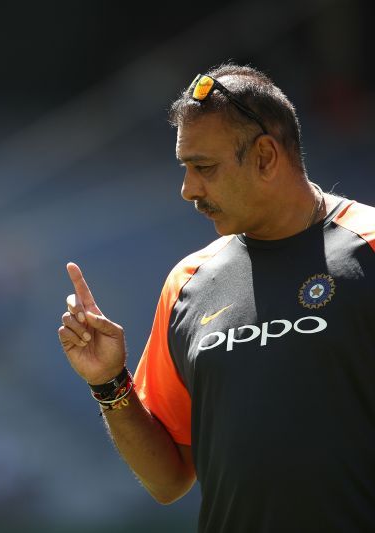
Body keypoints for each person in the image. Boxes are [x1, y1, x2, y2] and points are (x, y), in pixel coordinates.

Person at [58, 62, 375, 532]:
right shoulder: (189, 282)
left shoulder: (368, 245)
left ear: (266, 156)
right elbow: (168, 481)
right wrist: (108, 381)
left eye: (204, 167)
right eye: (185, 169)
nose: (188, 190)